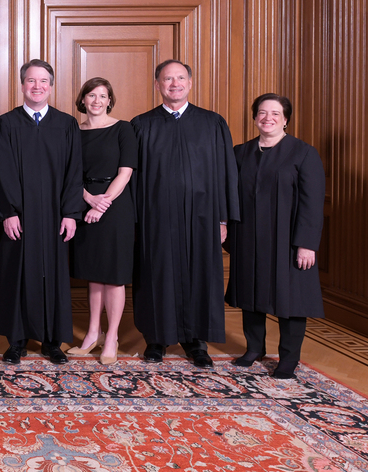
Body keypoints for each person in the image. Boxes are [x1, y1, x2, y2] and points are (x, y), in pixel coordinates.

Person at [131, 59, 239, 368]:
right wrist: (136, 220)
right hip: (156, 218)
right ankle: (156, 338)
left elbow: (225, 173)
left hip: (203, 217)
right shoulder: (142, 124)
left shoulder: (212, 123)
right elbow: (133, 177)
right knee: (156, 274)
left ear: (190, 83)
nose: (174, 84)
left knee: (200, 275)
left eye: (180, 78)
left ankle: (196, 341)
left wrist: (223, 218)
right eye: (167, 79)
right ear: (157, 85)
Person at [226, 94, 325, 380]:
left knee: (290, 299)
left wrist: (306, 244)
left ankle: (288, 359)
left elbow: (312, 202)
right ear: (255, 117)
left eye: (275, 113)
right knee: (250, 293)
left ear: (286, 119)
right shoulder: (240, 152)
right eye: (262, 112)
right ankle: (254, 348)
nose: (268, 118)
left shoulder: (303, 153)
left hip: (288, 239)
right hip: (248, 236)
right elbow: (230, 195)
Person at [0, 59, 83, 365]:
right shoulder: (6, 123)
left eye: (43, 81)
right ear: (22, 85)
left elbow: (74, 172)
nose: (37, 86)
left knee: (53, 275)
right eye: (31, 81)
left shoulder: (66, 124)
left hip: (55, 215)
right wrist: (9, 212)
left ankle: (52, 341)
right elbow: (1, 171)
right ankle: (16, 340)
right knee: (15, 274)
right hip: (20, 215)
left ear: (51, 86)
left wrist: (70, 213)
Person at [67, 77, 137, 366]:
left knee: (114, 276)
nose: (96, 101)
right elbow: (68, 172)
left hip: (115, 207)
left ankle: (112, 338)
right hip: (84, 203)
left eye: (102, 96)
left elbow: (126, 171)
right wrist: (88, 199)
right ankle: (92, 333)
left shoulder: (123, 129)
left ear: (110, 100)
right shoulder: (73, 131)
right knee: (93, 275)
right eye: (91, 95)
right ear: (82, 100)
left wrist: (103, 202)